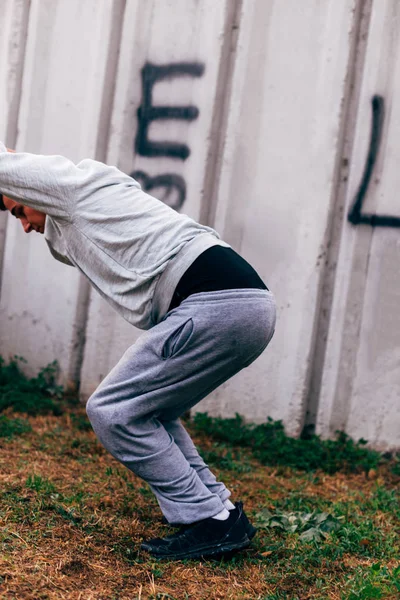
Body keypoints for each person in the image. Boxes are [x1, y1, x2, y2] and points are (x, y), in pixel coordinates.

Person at [0, 142, 276, 560]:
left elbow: (11, 168)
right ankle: (219, 510)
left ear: (30, 185)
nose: (22, 225)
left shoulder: (71, 187)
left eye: (18, 211)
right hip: (242, 302)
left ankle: (207, 522)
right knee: (152, 410)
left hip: (218, 300)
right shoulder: (79, 211)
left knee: (112, 410)